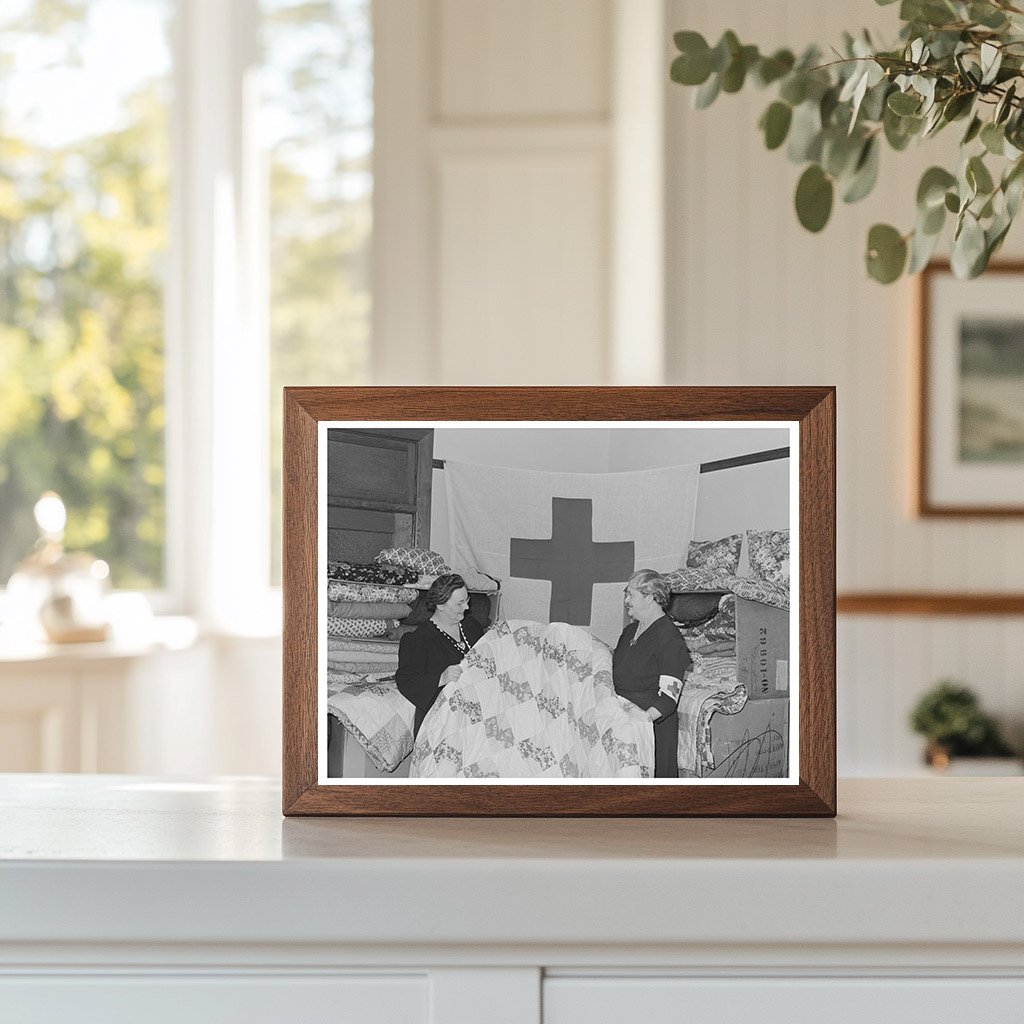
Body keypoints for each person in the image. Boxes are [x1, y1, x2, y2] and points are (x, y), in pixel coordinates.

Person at [612, 569, 691, 778]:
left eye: (631, 595)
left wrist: (641, 723)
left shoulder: (669, 638)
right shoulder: (629, 632)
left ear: (649, 598)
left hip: (652, 729)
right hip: (625, 723)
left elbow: (668, 698)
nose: (626, 600)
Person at [395, 573, 485, 738]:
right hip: (441, 726)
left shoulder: (472, 628)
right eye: (460, 603)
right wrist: (441, 678)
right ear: (441, 605)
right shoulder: (419, 640)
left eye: (467, 600)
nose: (466, 607)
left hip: (476, 721)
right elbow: (406, 681)